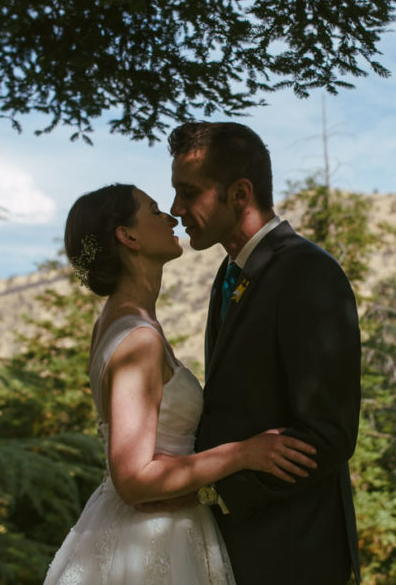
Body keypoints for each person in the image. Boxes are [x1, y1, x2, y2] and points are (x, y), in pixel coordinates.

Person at [44, 183, 317, 585]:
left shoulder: (116, 322)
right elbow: (133, 479)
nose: (171, 217)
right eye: (155, 210)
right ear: (128, 236)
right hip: (151, 540)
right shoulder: (137, 339)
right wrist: (245, 453)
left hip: (157, 522)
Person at [168, 122, 362, 584]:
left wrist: (216, 492)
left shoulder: (309, 274)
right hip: (239, 549)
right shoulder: (227, 275)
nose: (175, 209)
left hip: (295, 553)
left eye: (188, 192)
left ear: (240, 194)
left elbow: (329, 435)